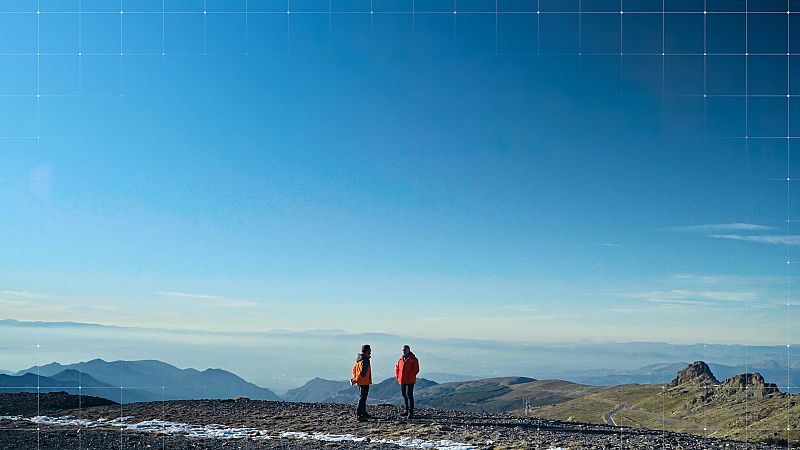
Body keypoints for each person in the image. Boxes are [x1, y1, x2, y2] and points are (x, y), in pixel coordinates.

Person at [395, 344, 419, 420]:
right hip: (402, 380)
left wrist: (410, 376)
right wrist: (398, 376)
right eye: (402, 350)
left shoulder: (413, 359)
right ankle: (406, 410)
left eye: (405, 350)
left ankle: (411, 413)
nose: (403, 351)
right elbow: (397, 368)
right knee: (404, 395)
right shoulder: (400, 359)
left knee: (409, 395)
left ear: (409, 350)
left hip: (410, 381)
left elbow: (416, 369)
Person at [351, 344, 372, 421]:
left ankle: (363, 412)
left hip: (360, 382)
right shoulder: (365, 360)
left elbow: (354, 370)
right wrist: (356, 379)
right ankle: (359, 414)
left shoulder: (359, 359)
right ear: (367, 350)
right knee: (362, 398)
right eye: (369, 349)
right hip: (364, 382)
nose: (370, 351)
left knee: (362, 397)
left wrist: (355, 378)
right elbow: (363, 373)